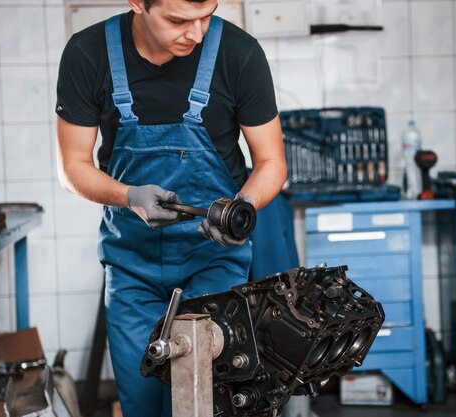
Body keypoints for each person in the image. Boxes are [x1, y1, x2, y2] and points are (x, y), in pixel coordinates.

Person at [54, 0, 286, 415]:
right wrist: (128, 196)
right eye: (179, 20)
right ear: (137, 3)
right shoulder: (88, 54)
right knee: (142, 402)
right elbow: (72, 167)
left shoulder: (239, 53)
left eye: (207, 14)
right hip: (131, 268)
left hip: (213, 262)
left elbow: (271, 162)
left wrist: (240, 208)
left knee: (202, 402)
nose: (196, 34)